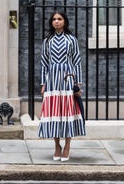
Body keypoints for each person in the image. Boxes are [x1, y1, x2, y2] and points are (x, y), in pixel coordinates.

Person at [38, 11, 86, 162]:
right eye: (54, 19)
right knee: (54, 113)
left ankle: (67, 147)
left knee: (67, 113)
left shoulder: (72, 40)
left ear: (64, 22)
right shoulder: (47, 41)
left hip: (67, 80)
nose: (57, 21)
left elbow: (77, 62)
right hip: (52, 81)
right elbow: (44, 63)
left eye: (59, 19)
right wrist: (43, 83)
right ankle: (57, 146)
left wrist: (78, 84)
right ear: (51, 22)